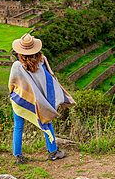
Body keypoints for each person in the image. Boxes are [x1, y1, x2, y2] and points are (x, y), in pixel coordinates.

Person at [9, 33, 76, 164]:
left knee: (18, 127)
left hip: (19, 100)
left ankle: (18, 156)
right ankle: (53, 152)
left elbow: (12, 85)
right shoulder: (41, 64)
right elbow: (49, 83)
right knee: (47, 123)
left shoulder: (17, 66)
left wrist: (15, 95)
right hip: (38, 102)